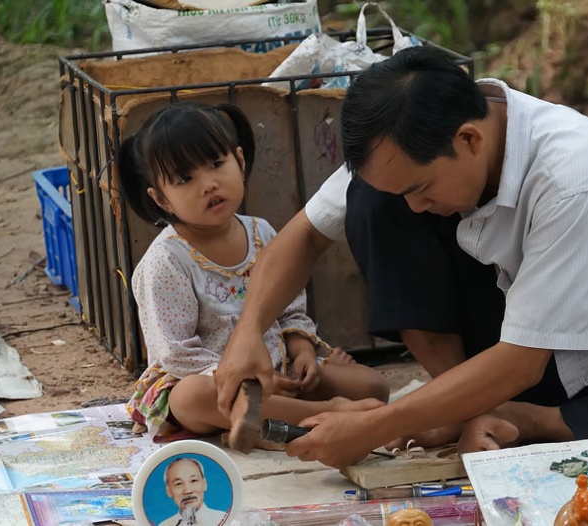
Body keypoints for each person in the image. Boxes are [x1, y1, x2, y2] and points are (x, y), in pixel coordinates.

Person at [214, 46, 588, 468]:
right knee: (370, 199)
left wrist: (381, 427)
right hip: (503, 352)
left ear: (470, 139)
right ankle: (462, 405)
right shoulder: (409, 142)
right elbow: (303, 236)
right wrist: (248, 334)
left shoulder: (575, 174)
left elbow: (523, 362)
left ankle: (526, 421)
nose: (416, 206)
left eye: (422, 186)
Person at [118, 101, 389, 448]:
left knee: (372, 386)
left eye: (217, 164)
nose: (209, 184)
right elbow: (176, 354)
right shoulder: (166, 260)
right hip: (210, 384)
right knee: (190, 396)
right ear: (162, 200)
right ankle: (327, 412)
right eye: (185, 178)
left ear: (240, 161)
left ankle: (275, 420)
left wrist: (303, 351)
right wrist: (246, 380)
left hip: (279, 371)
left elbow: (289, 308)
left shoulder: (262, 233)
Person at [158, 457, 226, 526]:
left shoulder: (224, 519)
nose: (188, 490)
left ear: (204, 484)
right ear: (168, 491)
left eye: (193, 480)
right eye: (178, 483)